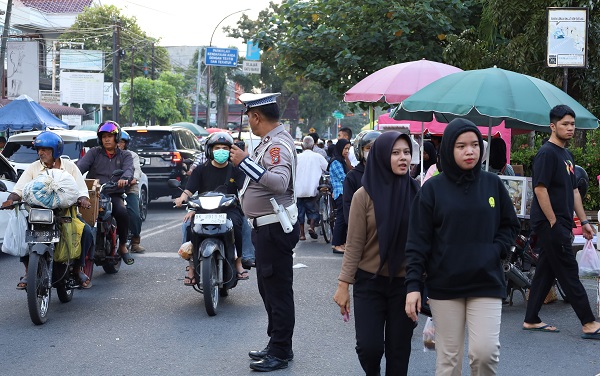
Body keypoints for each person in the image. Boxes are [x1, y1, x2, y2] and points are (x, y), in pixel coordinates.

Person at [405, 118, 520, 376]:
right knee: (449, 361)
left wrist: (496, 250)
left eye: (474, 145)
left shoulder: (492, 184)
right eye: (461, 146)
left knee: (485, 353)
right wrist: (413, 286)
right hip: (445, 285)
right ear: (448, 149)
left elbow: (509, 226)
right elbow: (417, 242)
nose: (470, 151)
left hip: (486, 281)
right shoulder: (432, 190)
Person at [334, 131, 418, 375]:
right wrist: (343, 285)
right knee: (369, 348)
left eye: (406, 152)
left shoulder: (417, 193)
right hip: (369, 283)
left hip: (404, 285)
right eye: (395, 153)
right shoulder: (363, 195)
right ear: (381, 156)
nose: (403, 158)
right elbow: (354, 243)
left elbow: (425, 242)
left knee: (399, 350)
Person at [230, 92, 299, 372]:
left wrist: (244, 162)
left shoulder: (277, 146)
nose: (248, 122)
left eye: (249, 117)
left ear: (256, 116)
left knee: (278, 291)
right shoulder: (269, 143)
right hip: (265, 228)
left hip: (274, 228)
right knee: (268, 290)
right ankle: (277, 343)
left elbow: (280, 183)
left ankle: (280, 351)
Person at [523, 104, 600, 339]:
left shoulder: (567, 155)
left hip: (562, 222)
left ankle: (531, 319)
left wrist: (584, 220)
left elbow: (574, 191)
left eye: (572, 124)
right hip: (550, 224)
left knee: (547, 269)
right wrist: (554, 222)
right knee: (568, 271)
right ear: (552, 126)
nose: (570, 128)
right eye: (565, 124)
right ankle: (588, 322)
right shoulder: (546, 153)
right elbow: (540, 189)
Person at [2, 131, 94, 289]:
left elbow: (81, 191)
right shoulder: (33, 168)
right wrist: (11, 200)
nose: (40, 153)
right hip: (39, 215)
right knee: (23, 232)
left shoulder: (70, 167)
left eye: (45, 149)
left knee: (86, 232)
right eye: (39, 149)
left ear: (56, 150)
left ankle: (78, 268)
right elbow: (19, 190)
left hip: (66, 214)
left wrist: (83, 200)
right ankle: (28, 271)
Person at [174, 132, 249, 283]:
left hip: (229, 209)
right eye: (217, 147)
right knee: (188, 225)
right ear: (210, 150)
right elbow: (189, 190)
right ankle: (192, 266)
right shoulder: (200, 170)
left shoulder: (236, 170)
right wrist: (182, 198)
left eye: (225, 148)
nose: (221, 151)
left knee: (238, 225)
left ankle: (239, 262)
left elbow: (244, 190)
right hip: (203, 209)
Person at [77, 121, 135, 265]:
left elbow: (129, 169)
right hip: (94, 194)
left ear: (117, 138)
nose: (107, 139)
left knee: (122, 212)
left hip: (114, 194)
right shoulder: (94, 152)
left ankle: (122, 246)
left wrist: (124, 179)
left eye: (110, 136)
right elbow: (80, 167)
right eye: (104, 137)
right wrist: (71, 175)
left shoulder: (125, 155)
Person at [342, 130, 381, 225]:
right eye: (368, 148)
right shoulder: (352, 176)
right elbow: (348, 207)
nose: (372, 152)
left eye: (376, 148)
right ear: (360, 151)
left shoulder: (387, 174)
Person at [117, 130, 145, 253]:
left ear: (125, 144)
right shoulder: (105, 155)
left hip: (129, 188)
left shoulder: (132, 155)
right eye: (116, 141)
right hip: (111, 189)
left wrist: (130, 180)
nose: (118, 144)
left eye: (121, 142)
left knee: (134, 215)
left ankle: (135, 241)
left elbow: (137, 173)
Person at [295, 135, 328, 240]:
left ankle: (301, 234)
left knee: (300, 211)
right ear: (313, 145)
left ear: (302, 145)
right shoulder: (318, 157)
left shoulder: (297, 157)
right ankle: (312, 226)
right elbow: (327, 168)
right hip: (312, 188)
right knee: (313, 209)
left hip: (298, 189)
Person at [329, 138, 350, 254]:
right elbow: (344, 178)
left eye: (348, 149)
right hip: (340, 193)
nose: (347, 151)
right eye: (345, 148)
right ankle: (336, 244)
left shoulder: (341, 160)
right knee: (341, 219)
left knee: (343, 218)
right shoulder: (336, 162)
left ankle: (341, 243)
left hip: (343, 193)